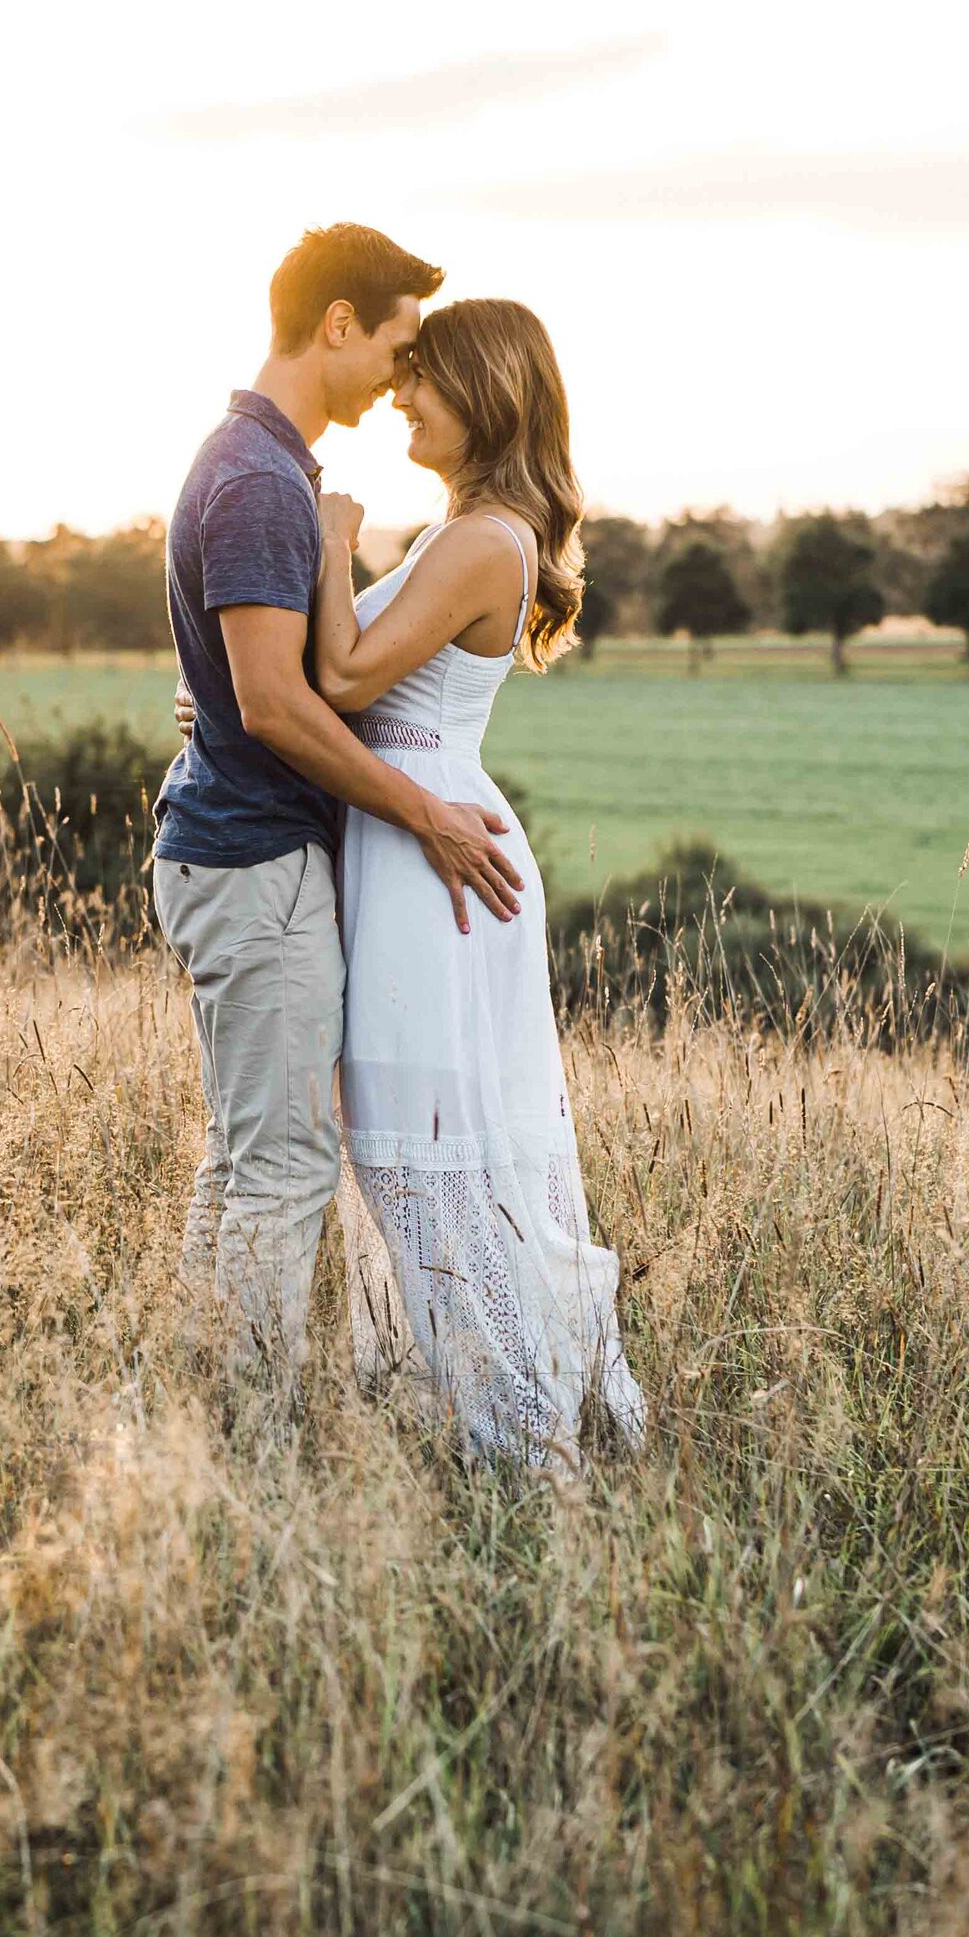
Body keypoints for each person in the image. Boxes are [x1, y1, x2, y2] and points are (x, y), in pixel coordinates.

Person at [152, 227, 525, 1390]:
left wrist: (221, 700)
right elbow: (275, 705)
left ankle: (187, 1412)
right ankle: (242, 1451)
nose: (401, 376)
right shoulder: (263, 479)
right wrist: (422, 811)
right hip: (256, 863)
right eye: (398, 344)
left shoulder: (260, 468)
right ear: (338, 327)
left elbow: (260, 687)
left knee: (244, 1159)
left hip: (241, 852)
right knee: (281, 1171)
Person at [311, 297, 645, 1471]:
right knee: (436, 1140)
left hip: (426, 850)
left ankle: (513, 1429)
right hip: (417, 832)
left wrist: (325, 537)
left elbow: (346, 675)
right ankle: (481, 1406)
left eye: (423, 379)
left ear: (484, 394)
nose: (401, 396)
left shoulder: (477, 539)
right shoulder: (481, 532)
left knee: (422, 1146)